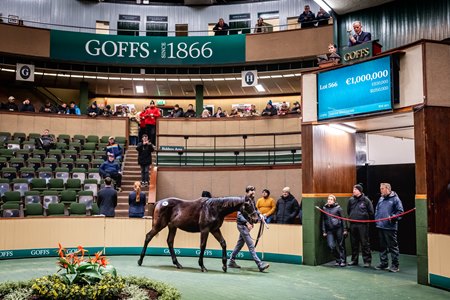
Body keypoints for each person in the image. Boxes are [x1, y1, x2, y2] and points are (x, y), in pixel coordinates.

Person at [228, 185, 270, 272]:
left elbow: (255, 210)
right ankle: (260, 264)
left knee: (239, 244)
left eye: (254, 190)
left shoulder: (252, 200)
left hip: (247, 225)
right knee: (251, 245)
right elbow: (239, 215)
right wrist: (247, 223)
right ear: (247, 192)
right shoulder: (243, 201)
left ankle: (231, 261)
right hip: (242, 225)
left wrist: (260, 214)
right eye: (251, 190)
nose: (253, 192)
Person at [375, 183, 404, 273]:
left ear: (388, 189)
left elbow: (400, 212)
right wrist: (377, 219)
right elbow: (377, 209)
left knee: (393, 247)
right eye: (380, 188)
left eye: (382, 188)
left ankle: (395, 265)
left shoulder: (395, 199)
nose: (381, 190)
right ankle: (384, 263)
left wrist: (393, 217)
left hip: (390, 227)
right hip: (380, 226)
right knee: (382, 247)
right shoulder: (381, 198)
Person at [347, 183, 373, 267]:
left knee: (364, 243)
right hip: (353, 224)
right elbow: (348, 211)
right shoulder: (351, 200)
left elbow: (371, 212)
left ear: (360, 191)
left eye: (355, 189)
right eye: (353, 189)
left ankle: (367, 261)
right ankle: (354, 260)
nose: (353, 191)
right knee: (354, 243)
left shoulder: (366, 200)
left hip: (363, 225)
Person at [321, 194, 347, 267]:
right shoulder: (324, 208)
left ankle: (343, 261)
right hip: (329, 230)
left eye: (331, 199)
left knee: (341, 245)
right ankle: (338, 259)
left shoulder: (338, 208)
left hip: (339, 229)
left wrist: (345, 229)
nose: (329, 200)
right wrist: (324, 231)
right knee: (331, 246)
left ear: (334, 201)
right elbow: (323, 220)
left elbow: (343, 219)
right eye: (328, 199)